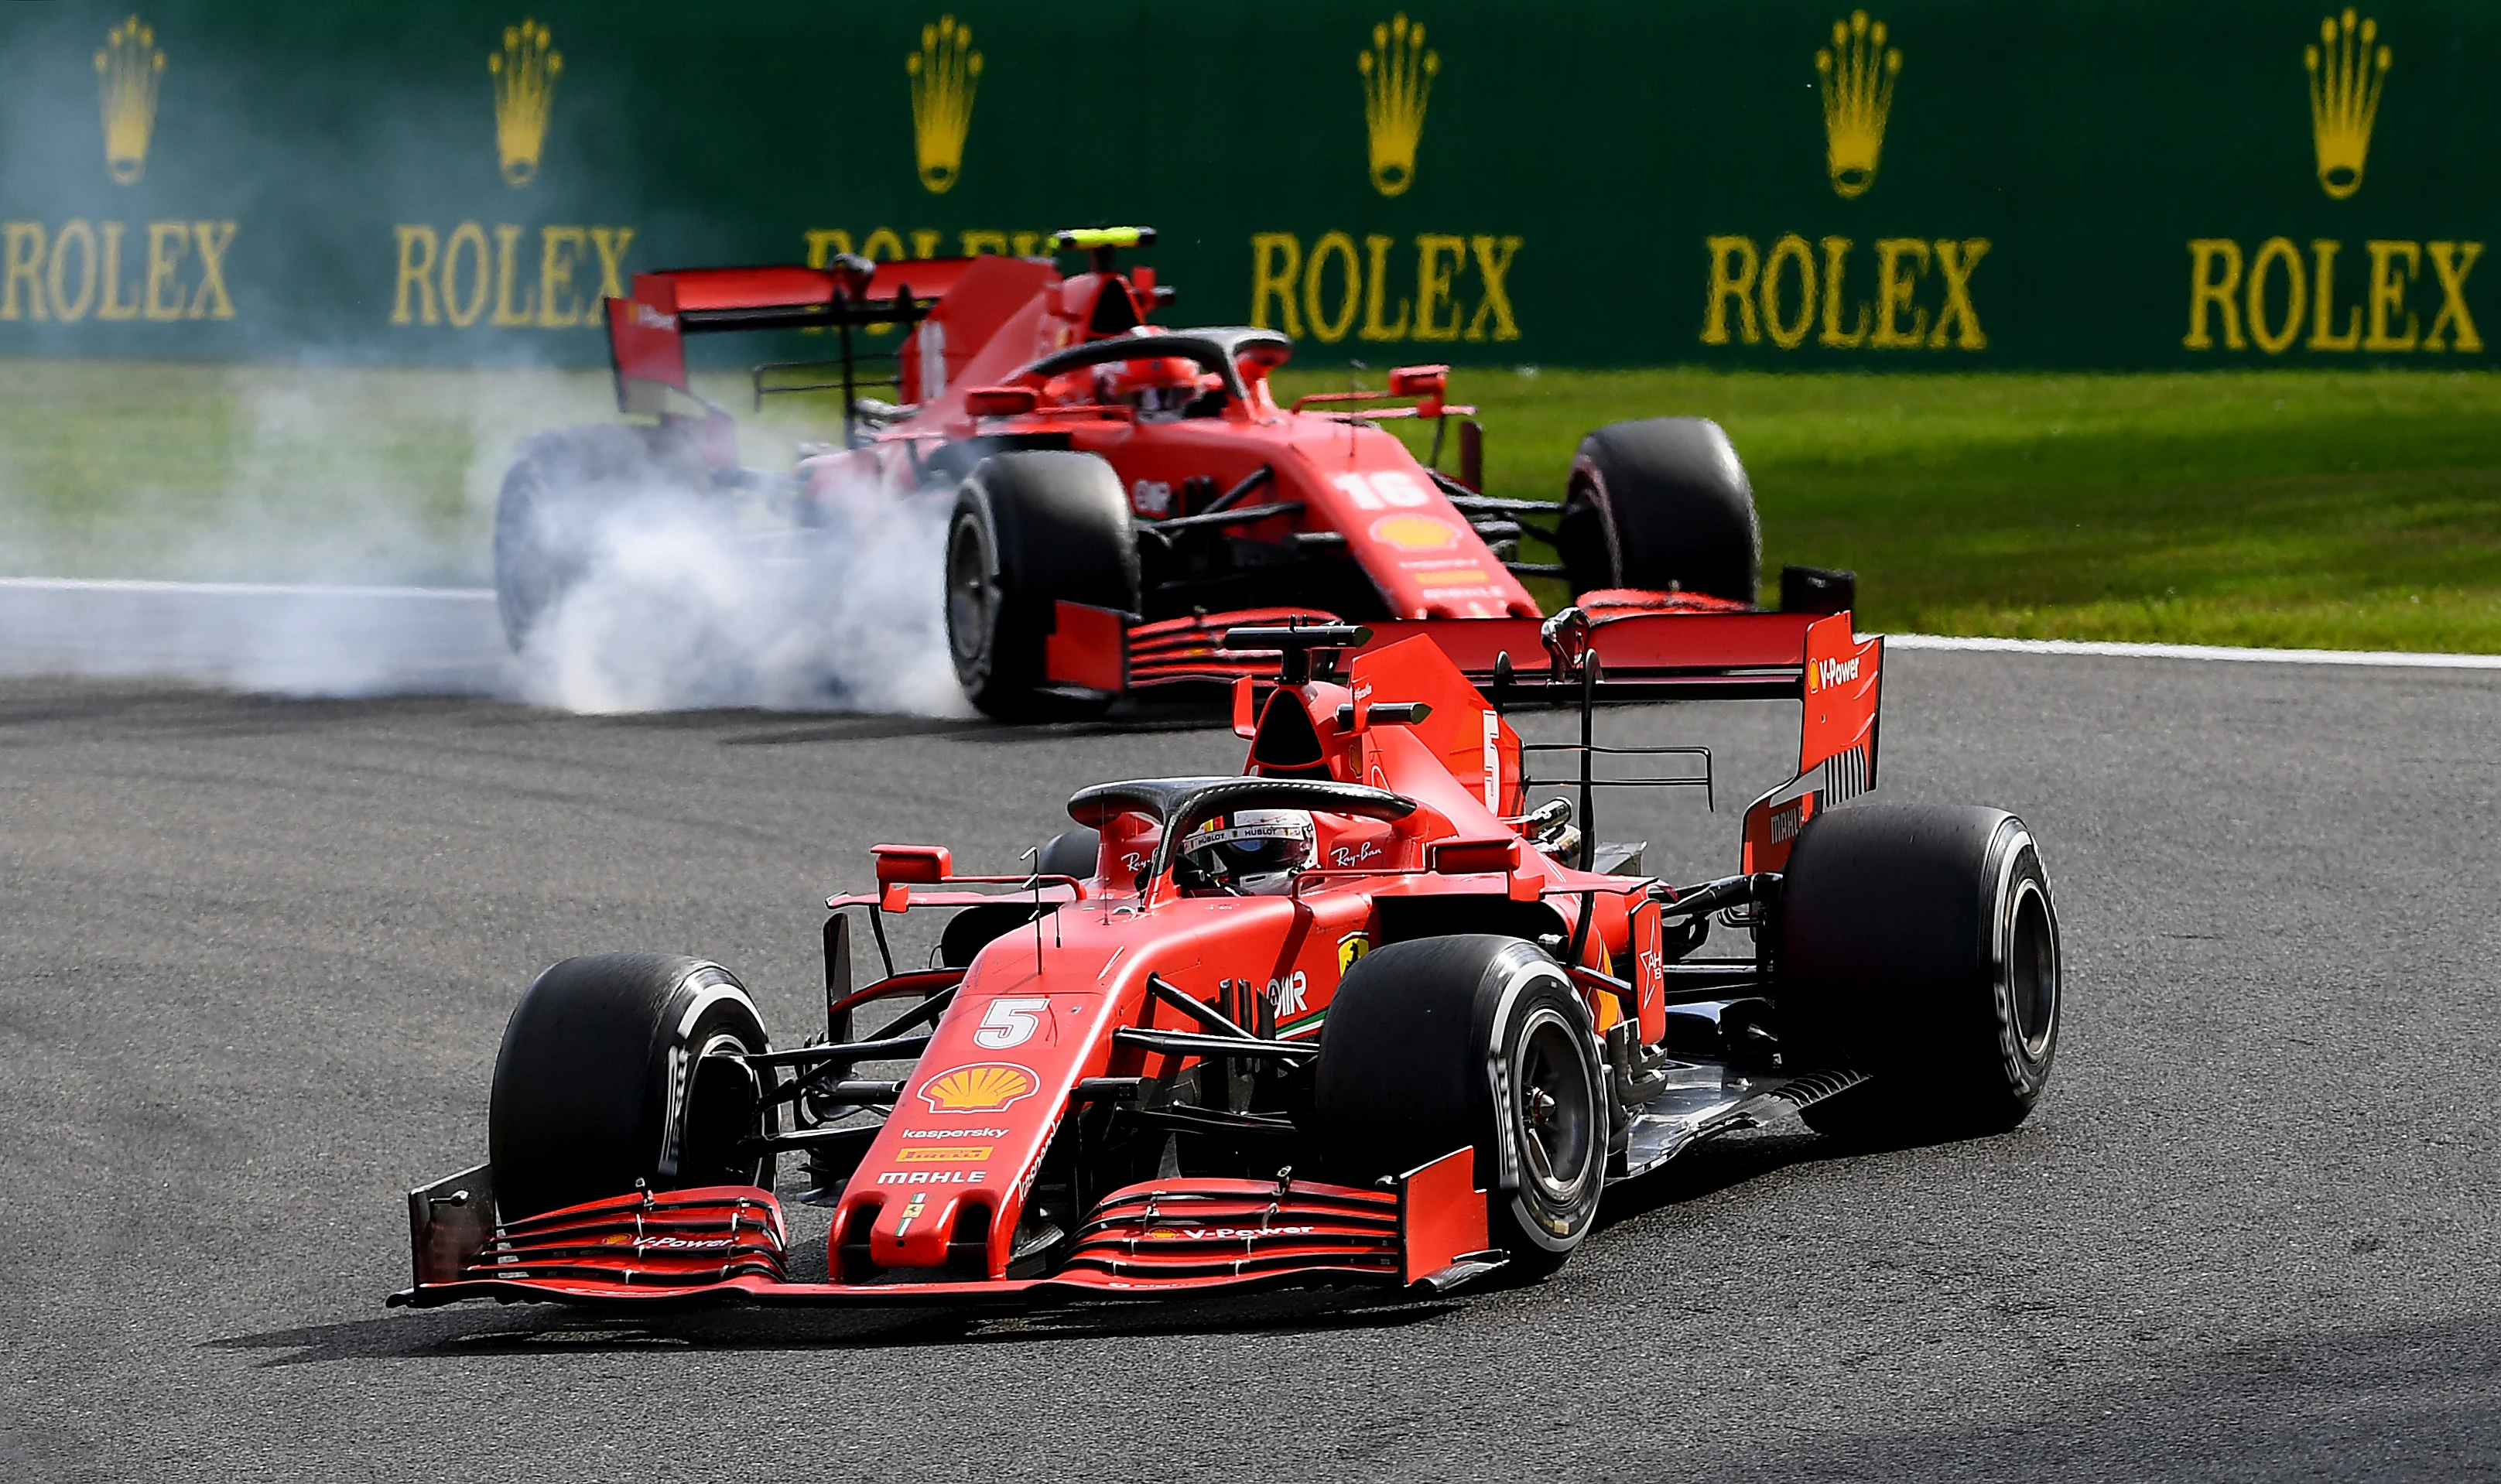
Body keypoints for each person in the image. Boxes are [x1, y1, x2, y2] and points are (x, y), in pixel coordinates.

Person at [1175, 809, 1315, 895]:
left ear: (1306, 844)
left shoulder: (1332, 899)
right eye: (1213, 854)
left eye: (1255, 844)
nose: (1244, 865)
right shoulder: (1202, 898)